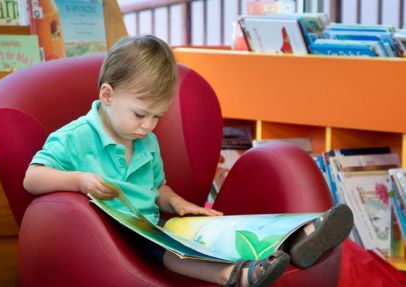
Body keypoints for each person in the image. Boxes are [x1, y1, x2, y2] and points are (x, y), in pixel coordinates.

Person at [23, 35, 353, 287]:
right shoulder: (76, 136)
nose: (148, 126)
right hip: (112, 235)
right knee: (172, 250)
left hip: (152, 225)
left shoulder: (145, 140)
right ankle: (237, 277)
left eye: (157, 117)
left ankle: (302, 234)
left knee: (208, 228)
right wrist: (78, 181)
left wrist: (178, 203)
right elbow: (33, 178)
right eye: (140, 114)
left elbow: (156, 189)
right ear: (107, 96)